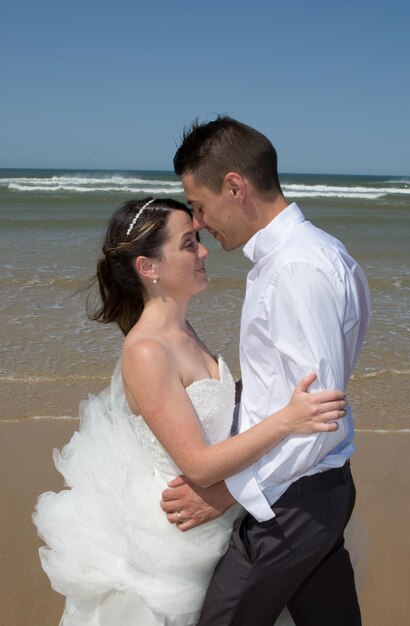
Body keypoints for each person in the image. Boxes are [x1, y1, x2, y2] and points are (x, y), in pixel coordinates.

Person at [33, 197, 347, 626]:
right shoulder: (146, 350)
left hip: (219, 514)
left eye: (198, 239)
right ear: (149, 267)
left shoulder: (183, 329)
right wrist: (287, 420)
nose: (203, 251)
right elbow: (198, 466)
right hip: (177, 532)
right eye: (188, 244)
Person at [160, 116, 371, 626]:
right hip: (312, 493)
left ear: (235, 186)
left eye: (200, 205)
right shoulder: (317, 253)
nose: (200, 221)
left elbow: (316, 421)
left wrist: (226, 491)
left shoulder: (296, 268)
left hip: (290, 503)